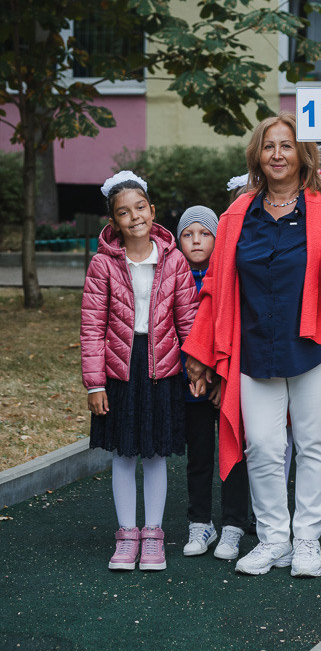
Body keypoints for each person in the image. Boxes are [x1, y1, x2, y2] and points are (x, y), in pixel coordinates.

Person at [182, 113, 321, 579]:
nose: (278, 154)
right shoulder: (236, 215)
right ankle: (272, 540)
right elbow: (217, 291)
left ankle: (307, 540)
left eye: (287, 146)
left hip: (311, 344)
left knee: (312, 444)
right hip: (252, 348)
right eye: (269, 147)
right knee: (263, 447)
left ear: (302, 156)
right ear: (257, 156)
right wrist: (199, 353)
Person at [81, 171, 199, 571]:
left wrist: (198, 366)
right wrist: (95, 383)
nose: (134, 217)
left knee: (155, 453)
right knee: (124, 452)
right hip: (120, 368)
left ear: (152, 210)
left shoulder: (174, 259)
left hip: (161, 366)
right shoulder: (103, 264)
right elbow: (93, 327)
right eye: (123, 212)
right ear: (113, 222)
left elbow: (188, 319)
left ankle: (153, 535)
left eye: (140, 208)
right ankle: (126, 535)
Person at [177, 206, 250, 561]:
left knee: (234, 456)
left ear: (218, 238)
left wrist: (220, 376)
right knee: (200, 457)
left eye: (204, 234)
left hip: (225, 384)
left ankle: (234, 525)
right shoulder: (173, 278)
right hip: (192, 388)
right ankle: (200, 523)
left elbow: (233, 330)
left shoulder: (230, 276)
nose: (196, 241)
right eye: (188, 234)